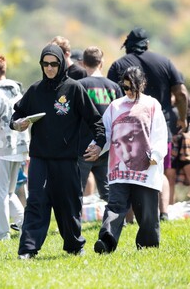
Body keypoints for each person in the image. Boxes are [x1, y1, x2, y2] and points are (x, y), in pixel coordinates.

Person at [10, 44, 106, 259]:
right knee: (36, 203)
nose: (50, 68)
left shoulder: (74, 88)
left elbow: (95, 120)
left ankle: (74, 246)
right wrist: (18, 124)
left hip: (66, 159)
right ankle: (27, 250)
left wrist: (99, 144)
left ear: (61, 64)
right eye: (46, 64)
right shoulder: (35, 90)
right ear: (41, 65)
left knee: (68, 204)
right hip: (40, 159)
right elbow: (15, 116)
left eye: (54, 64)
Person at [107, 27, 188, 220]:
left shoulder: (119, 65)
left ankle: (129, 218)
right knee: (160, 170)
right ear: (147, 44)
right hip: (161, 126)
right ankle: (164, 213)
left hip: (127, 129)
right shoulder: (164, 62)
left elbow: (111, 96)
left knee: (127, 171)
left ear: (127, 45)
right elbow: (182, 94)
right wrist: (182, 118)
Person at [94, 66, 167, 254]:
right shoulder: (115, 106)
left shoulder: (152, 105)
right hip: (119, 171)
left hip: (146, 170)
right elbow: (106, 133)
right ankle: (106, 243)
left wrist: (156, 155)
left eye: (132, 88)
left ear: (141, 85)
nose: (128, 92)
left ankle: (148, 246)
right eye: (125, 87)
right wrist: (97, 147)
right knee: (115, 208)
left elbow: (160, 134)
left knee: (147, 213)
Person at [0, 53, 29, 241]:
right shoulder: (17, 92)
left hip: (0, 150)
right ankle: (24, 225)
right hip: (18, 149)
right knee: (9, 193)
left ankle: (1, 234)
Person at [78, 46, 122, 202]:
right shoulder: (114, 87)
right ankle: (117, 223)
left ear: (83, 63)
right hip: (107, 146)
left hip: (83, 147)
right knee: (108, 192)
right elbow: (120, 117)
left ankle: (72, 225)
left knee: (77, 191)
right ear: (101, 63)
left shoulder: (79, 86)